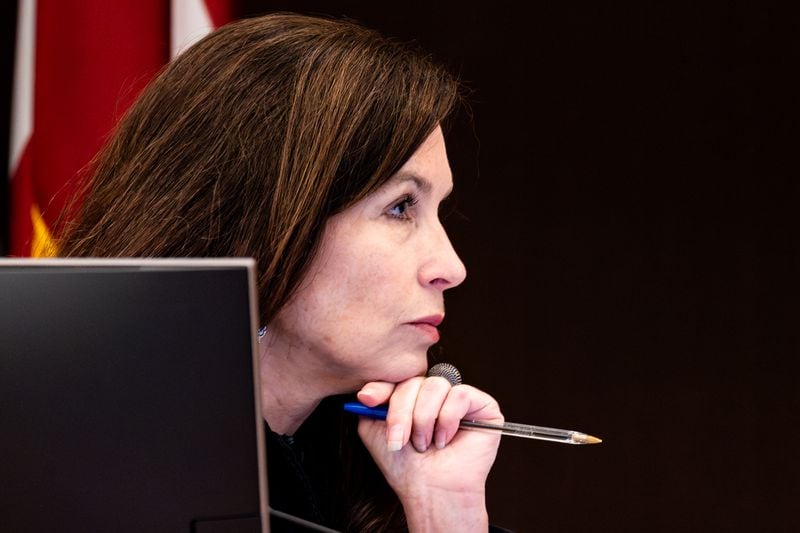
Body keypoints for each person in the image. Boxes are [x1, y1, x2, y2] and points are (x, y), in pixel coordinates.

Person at [61, 12, 505, 532]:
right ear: (261, 219)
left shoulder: (369, 481)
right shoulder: (71, 478)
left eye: (436, 211)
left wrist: (444, 513)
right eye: (401, 207)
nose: (451, 268)